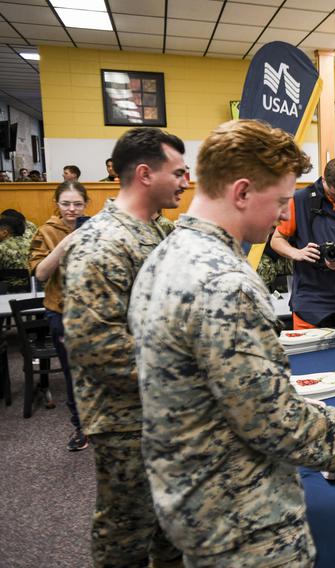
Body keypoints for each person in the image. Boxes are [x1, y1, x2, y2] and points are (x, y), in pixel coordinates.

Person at [129, 119, 335, 565]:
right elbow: (274, 423)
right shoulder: (227, 283)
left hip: (185, 490)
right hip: (240, 517)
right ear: (241, 192)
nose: (284, 215)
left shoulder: (165, 253)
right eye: (280, 201)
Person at [62, 127, 187, 567]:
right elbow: (99, 348)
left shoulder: (159, 230)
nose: (186, 182)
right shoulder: (101, 243)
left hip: (166, 410)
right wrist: (188, 374)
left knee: (171, 526)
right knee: (126, 532)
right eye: (179, 172)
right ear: (144, 174)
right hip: (126, 420)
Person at [270, 156, 335, 329]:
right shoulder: (299, 200)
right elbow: (276, 240)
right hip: (310, 300)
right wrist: (297, 253)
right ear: (323, 179)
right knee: (308, 354)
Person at [28, 181, 90, 451]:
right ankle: (81, 427)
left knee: (99, 373)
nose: (72, 209)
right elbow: (40, 273)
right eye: (66, 203)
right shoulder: (46, 232)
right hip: (62, 313)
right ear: (57, 204)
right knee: (73, 375)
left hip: (95, 314)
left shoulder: (95, 229)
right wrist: (67, 241)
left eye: (77, 204)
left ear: (86, 205)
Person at [0, 209, 36, 291]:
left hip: (8, 291)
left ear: (5, 232)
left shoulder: (2, 247)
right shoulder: (33, 244)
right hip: (33, 287)